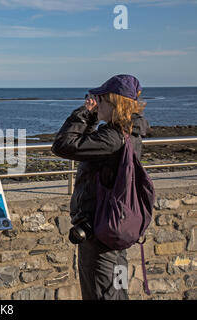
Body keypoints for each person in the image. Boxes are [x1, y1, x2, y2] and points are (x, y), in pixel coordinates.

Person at [51, 74, 149, 300]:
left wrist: (85, 113)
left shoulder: (112, 138)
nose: (96, 103)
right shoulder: (130, 134)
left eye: (101, 100)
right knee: (119, 289)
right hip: (118, 230)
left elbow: (63, 145)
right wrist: (95, 119)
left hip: (100, 235)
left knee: (100, 294)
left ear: (114, 103)